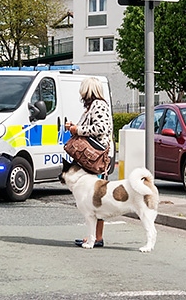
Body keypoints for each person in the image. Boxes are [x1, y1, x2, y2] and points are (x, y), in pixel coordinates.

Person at [64, 76, 113, 248]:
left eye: (83, 91)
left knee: (95, 199)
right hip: (94, 158)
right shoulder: (93, 107)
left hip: (96, 159)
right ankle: (94, 236)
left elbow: (101, 128)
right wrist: (74, 126)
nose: (81, 95)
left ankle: (96, 237)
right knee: (93, 200)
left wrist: (78, 129)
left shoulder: (98, 105)